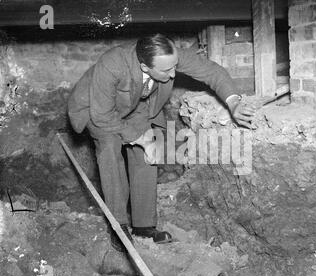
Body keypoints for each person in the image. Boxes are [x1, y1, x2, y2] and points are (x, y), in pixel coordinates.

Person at [67, 33, 255, 252]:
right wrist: (139, 138)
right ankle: (118, 225)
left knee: (149, 152)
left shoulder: (167, 56)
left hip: (133, 107)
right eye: (166, 71)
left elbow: (213, 72)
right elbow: (102, 116)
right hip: (97, 109)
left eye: (174, 66)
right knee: (109, 148)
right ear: (145, 67)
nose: (174, 73)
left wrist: (234, 103)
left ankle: (143, 226)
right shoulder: (112, 64)